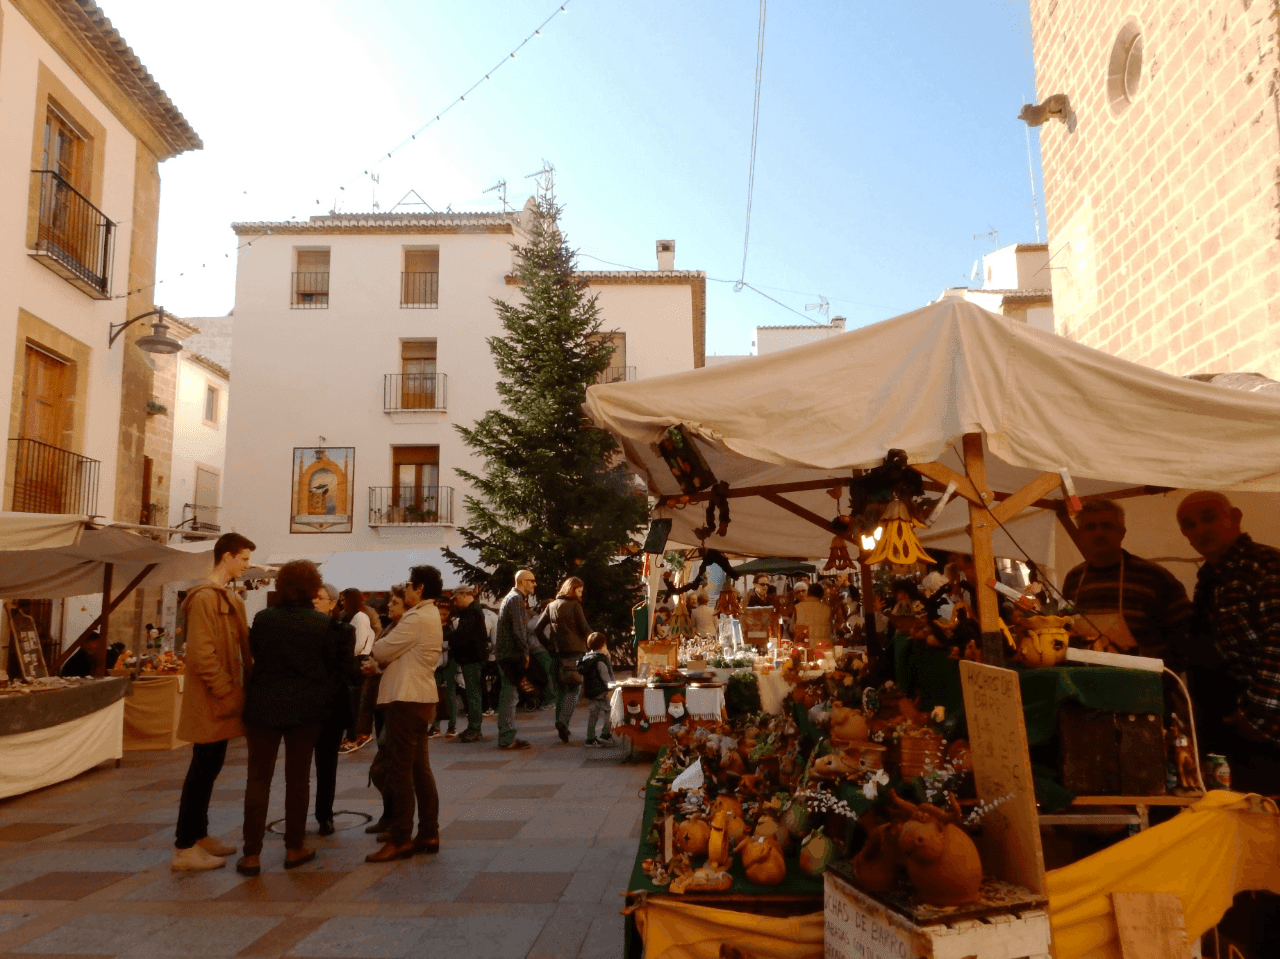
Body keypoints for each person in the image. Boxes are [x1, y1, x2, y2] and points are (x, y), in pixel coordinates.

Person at [1176, 490, 1280, 953]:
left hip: (1267, 725)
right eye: (1190, 525)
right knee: (1239, 827)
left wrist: (1258, 713)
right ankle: (1249, 936)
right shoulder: (1209, 578)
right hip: (1230, 725)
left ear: (1235, 518)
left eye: (1208, 519)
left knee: (1270, 831)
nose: (1201, 531)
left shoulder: (1265, 566)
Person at [237, 559, 336, 876]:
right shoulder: (321, 623)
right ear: (312, 587)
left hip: (264, 705)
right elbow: (329, 667)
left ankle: (251, 854)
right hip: (305, 710)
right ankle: (294, 847)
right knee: (298, 779)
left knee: (257, 778)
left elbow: (254, 654)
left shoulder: (264, 619)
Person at [171, 532, 255, 872]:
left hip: (219, 700)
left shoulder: (221, 596)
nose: (247, 566)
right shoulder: (206, 598)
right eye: (244, 559)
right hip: (213, 700)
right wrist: (227, 691)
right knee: (202, 770)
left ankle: (199, 836)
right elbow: (201, 654)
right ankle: (184, 846)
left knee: (209, 767)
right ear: (227, 557)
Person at [365, 565, 443, 862]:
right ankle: (428, 832)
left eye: (410, 584)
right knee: (420, 771)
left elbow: (382, 649)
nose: (406, 589)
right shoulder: (430, 614)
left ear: (420, 588)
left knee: (400, 772)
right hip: (420, 699)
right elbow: (400, 657)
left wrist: (378, 657)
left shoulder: (416, 617)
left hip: (406, 701)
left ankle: (400, 839)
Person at [1061, 499, 1193, 662]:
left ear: (1122, 533)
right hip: (1087, 679)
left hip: (1145, 681)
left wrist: (1165, 679)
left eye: (1107, 526)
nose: (1099, 533)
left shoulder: (1155, 576)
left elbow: (1186, 633)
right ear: (1081, 535)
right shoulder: (1074, 578)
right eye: (1090, 527)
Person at [361, 585, 406, 837]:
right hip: (382, 700)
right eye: (389, 603)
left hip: (395, 701)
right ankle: (389, 816)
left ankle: (397, 820)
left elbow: (399, 664)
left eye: (395, 603)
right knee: (386, 760)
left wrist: (376, 668)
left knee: (388, 764)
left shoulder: (404, 630)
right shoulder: (390, 628)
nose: (389, 607)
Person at [311, 583, 356, 837]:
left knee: (327, 765)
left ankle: (324, 815)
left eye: (320, 598)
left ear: (332, 603)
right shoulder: (301, 630)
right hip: (305, 706)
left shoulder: (343, 630)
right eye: (312, 598)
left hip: (330, 706)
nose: (315, 602)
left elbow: (345, 668)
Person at [494, 569, 536, 750]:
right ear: (522, 581)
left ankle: (506, 735)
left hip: (506, 654)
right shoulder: (516, 599)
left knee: (509, 695)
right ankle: (506, 737)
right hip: (511, 654)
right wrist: (525, 652)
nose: (535, 584)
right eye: (532, 581)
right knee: (510, 696)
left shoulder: (511, 598)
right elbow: (519, 630)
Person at [547, 576, 591, 743]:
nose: (581, 593)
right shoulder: (574, 605)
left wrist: (550, 645)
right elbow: (584, 627)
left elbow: (537, 629)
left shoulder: (551, 606)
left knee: (561, 691)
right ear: (572, 589)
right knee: (574, 689)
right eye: (579, 590)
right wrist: (597, 642)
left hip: (558, 654)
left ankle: (562, 725)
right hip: (575, 653)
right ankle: (562, 722)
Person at [446, 585, 487, 742]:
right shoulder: (473, 610)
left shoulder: (471, 612)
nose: (455, 603)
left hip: (472, 658)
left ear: (464, 595)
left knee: (473, 694)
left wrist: (450, 638)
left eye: (456, 598)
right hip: (472, 657)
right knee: (473, 693)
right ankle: (473, 726)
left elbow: (464, 636)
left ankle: (475, 728)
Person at [339, 588, 377, 752]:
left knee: (355, 702)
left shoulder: (359, 617)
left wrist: (346, 657)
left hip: (357, 660)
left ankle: (353, 736)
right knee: (354, 701)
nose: (341, 602)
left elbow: (359, 643)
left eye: (343, 599)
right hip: (356, 660)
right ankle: (355, 734)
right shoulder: (355, 616)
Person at [580, 632, 615, 747]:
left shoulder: (587, 658)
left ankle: (590, 738)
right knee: (609, 710)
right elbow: (605, 677)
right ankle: (605, 734)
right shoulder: (601, 660)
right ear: (603, 645)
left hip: (590, 693)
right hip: (602, 692)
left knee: (593, 714)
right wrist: (611, 689)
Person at [793, 581, 833, 647]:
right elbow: (831, 629)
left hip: (804, 649)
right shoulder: (827, 609)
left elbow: (792, 628)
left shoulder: (797, 607)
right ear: (822, 595)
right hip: (823, 648)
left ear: (808, 593)